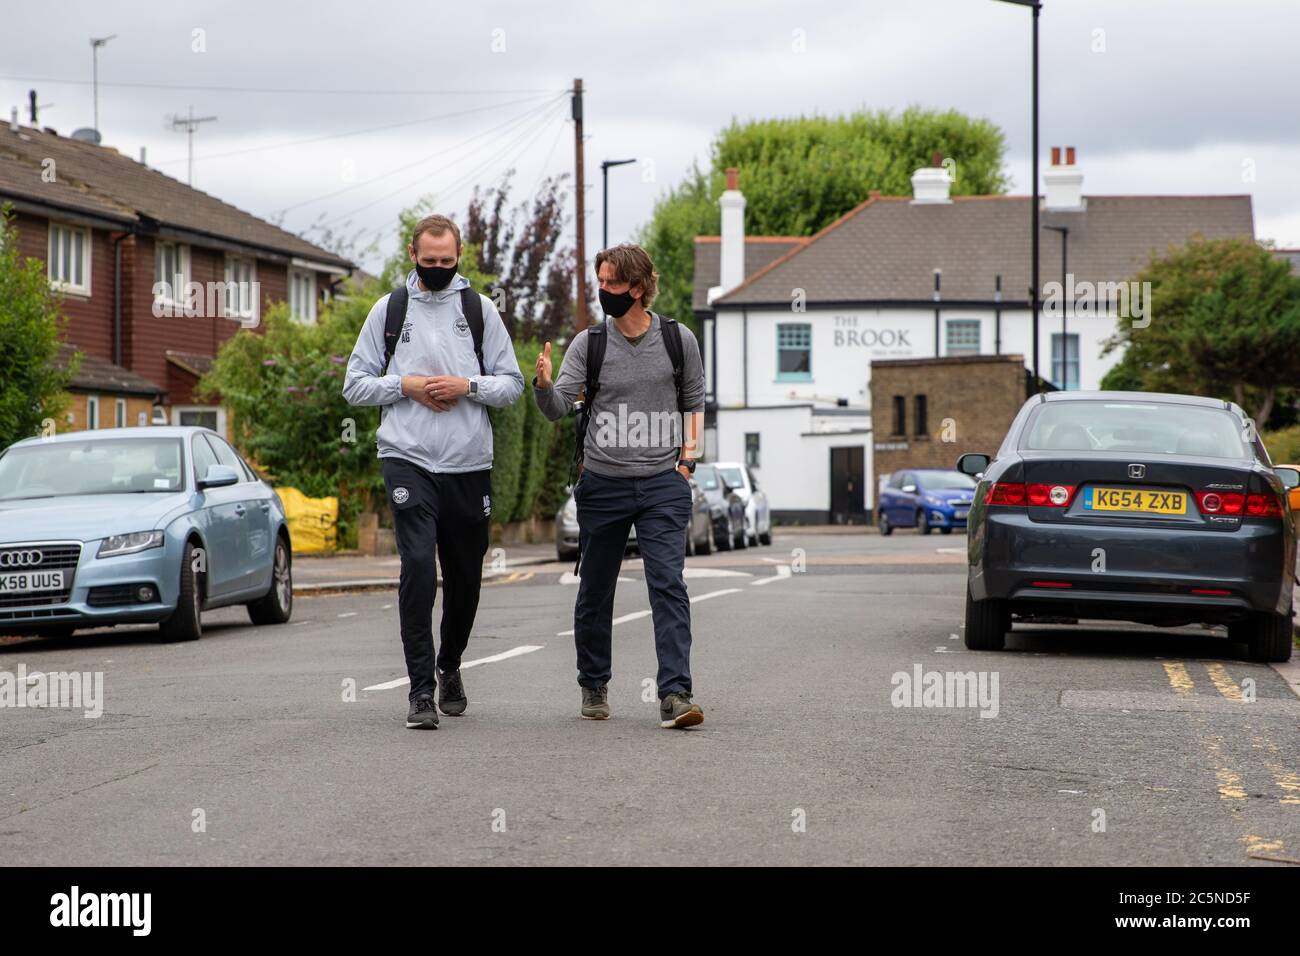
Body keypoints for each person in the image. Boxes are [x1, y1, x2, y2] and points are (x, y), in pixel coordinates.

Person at [343, 214, 524, 730]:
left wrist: (467, 386)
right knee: (419, 568)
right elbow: (354, 385)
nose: (440, 269)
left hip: (468, 462)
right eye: (430, 261)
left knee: (465, 579)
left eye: (448, 261)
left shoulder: (480, 309)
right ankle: (420, 691)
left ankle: (450, 665)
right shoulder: (389, 310)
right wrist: (409, 385)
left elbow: (510, 385)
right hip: (407, 456)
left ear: (460, 255)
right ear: (412, 254)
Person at [533, 243, 706, 729]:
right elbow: (559, 409)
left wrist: (687, 463)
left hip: (662, 485)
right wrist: (545, 386)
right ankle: (593, 682)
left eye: (611, 284)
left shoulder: (678, 340)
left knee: (667, 583)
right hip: (603, 483)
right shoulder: (589, 344)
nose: (603, 291)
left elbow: (694, 402)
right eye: (600, 282)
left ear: (637, 286)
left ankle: (675, 693)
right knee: (596, 588)